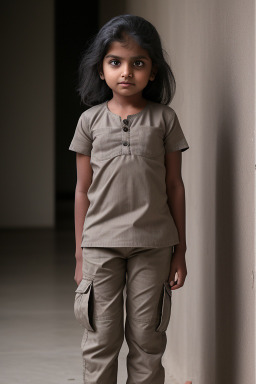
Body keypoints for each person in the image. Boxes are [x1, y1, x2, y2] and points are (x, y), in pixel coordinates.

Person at [69, 14, 189, 384]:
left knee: (148, 338)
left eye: (138, 63)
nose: (126, 72)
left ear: (152, 72)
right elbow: (81, 190)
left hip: (153, 246)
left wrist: (180, 251)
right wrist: (79, 254)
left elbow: (174, 186)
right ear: (101, 68)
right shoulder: (89, 122)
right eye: (115, 62)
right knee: (100, 339)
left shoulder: (164, 120)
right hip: (100, 247)